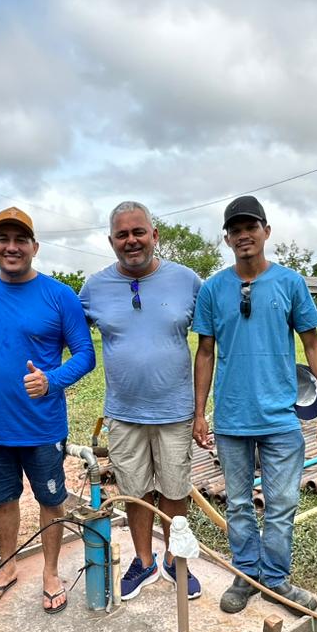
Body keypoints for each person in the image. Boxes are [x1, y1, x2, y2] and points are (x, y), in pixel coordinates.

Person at [193, 196, 317, 614]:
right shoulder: (213, 289)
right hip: (232, 418)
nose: (244, 235)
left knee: (281, 505)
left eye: (251, 227)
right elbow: (205, 352)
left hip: (280, 418)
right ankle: (246, 576)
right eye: (235, 229)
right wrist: (199, 412)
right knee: (238, 504)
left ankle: (276, 581)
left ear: (266, 232)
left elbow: (313, 344)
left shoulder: (289, 283)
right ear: (227, 238)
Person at [0, 207, 96, 613]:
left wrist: (53, 379)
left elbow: (85, 354)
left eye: (20, 240)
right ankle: (8, 565)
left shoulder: (58, 295)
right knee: (5, 500)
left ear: (34, 246)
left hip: (44, 426)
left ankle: (50, 571)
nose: (11, 247)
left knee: (51, 501)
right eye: (3, 239)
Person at [80, 201, 203, 601]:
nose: (131, 240)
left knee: (174, 486)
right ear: (111, 241)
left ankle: (174, 560)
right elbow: (66, 337)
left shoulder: (187, 281)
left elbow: (211, 342)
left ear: (154, 235)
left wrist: (202, 410)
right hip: (124, 412)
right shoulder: (93, 288)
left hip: (175, 409)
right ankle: (144, 560)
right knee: (134, 490)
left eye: (138, 232)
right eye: (122, 234)